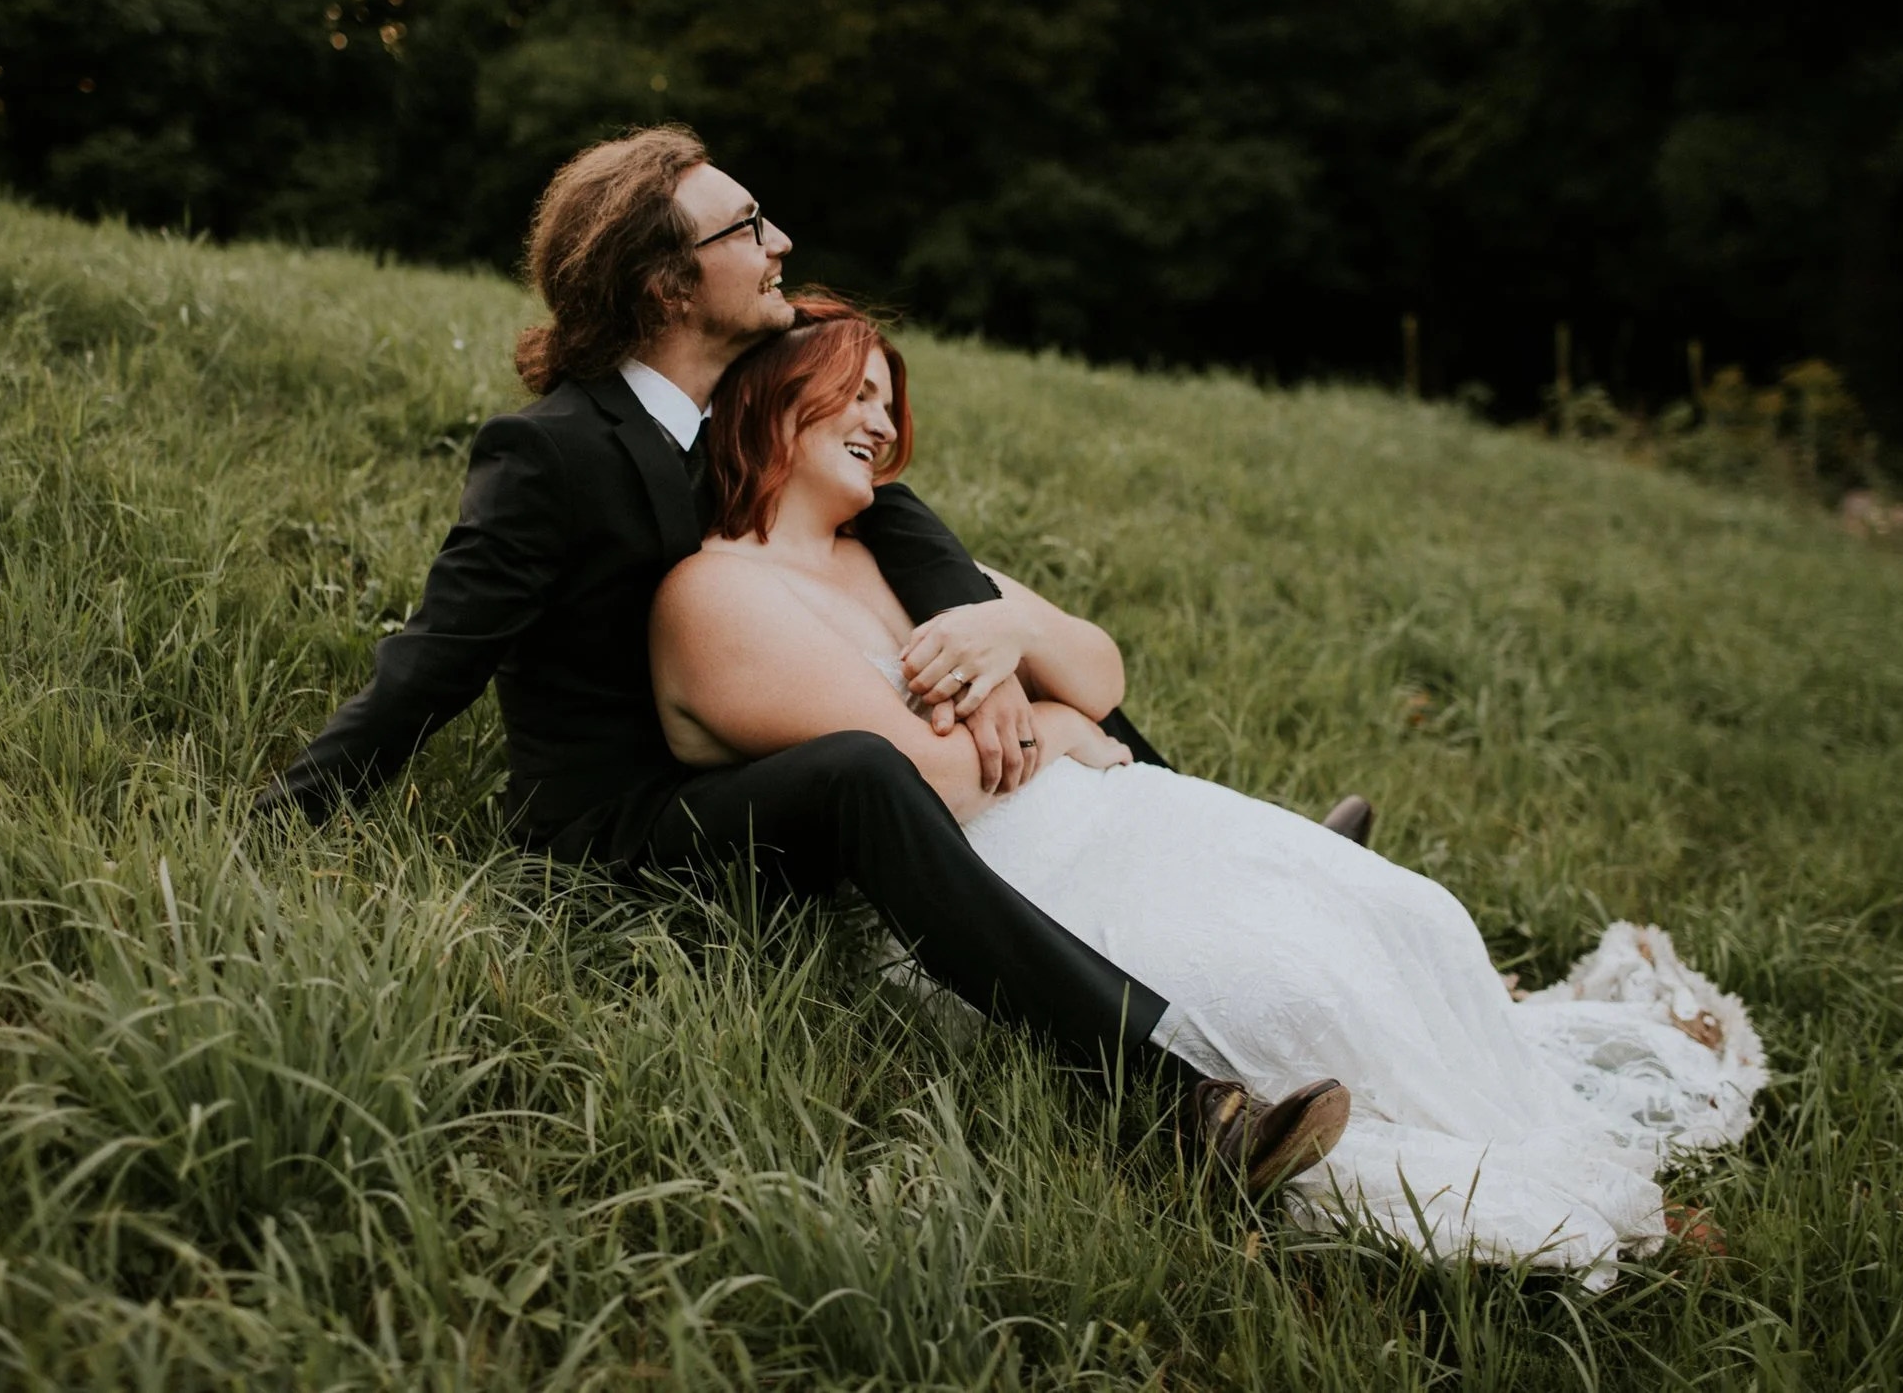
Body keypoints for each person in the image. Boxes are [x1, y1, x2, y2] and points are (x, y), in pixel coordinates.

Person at [256, 126, 1350, 1190]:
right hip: (638, 820)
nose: (779, 240)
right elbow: (436, 658)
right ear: (665, 285)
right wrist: (281, 824)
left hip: (759, 737)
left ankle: (1280, 870)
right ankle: (1170, 1105)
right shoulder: (550, 451)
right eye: (747, 225)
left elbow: (898, 521)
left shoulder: (747, 408)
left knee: (1014, 660)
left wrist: (996, 648)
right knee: (863, 769)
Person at [649, 298, 1770, 1284]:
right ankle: (1382, 1148)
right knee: (1283, 989)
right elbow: (913, 781)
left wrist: (1014, 626)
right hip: (988, 901)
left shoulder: (887, 554)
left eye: (891, 401)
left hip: (1110, 821)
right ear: (767, 402)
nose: (886, 423)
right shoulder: (717, 594)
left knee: (1413, 912)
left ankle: (1520, 1086)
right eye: (855, 393)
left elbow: (1099, 667)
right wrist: (1047, 720)